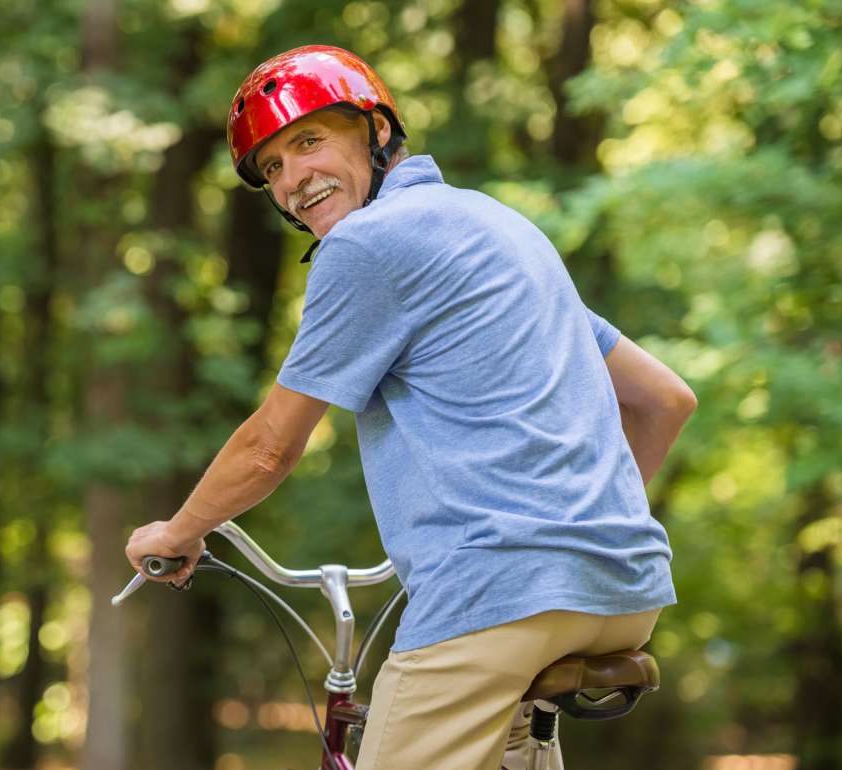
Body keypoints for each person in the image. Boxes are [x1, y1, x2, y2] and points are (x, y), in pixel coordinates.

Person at [124, 45, 696, 770]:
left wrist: (180, 532)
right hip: (625, 588)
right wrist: (579, 526)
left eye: (308, 142)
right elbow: (667, 399)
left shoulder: (368, 245)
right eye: (271, 168)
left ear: (376, 132)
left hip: (498, 594)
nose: (293, 179)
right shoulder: (497, 227)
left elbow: (270, 446)